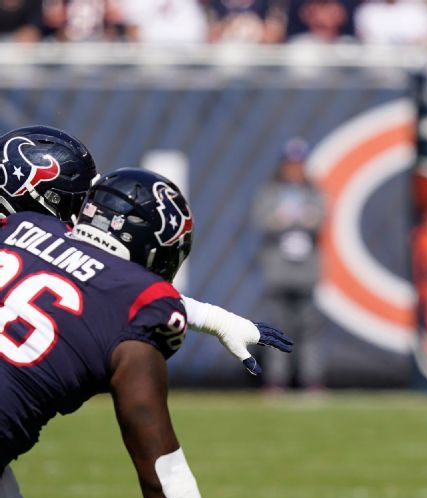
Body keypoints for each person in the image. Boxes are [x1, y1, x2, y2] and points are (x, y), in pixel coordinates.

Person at [0, 167, 276, 498]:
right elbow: (162, 471)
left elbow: (75, 277)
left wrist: (208, 316)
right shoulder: (143, 306)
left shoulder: (26, 228)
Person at [0, 125, 292, 376]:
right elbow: (114, 287)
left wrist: (215, 319)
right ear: (33, 195)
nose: (82, 214)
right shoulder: (25, 237)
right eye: (74, 202)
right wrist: (214, 320)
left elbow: (109, 283)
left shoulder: (18, 237)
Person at [253, 137, 325, 391]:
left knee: (309, 330)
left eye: (299, 164)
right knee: (276, 330)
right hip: (278, 273)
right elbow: (262, 220)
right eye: (290, 164)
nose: (295, 169)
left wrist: (295, 219)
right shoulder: (270, 192)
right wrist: (287, 219)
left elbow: (320, 219)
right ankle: (276, 381)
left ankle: (311, 381)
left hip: (305, 273)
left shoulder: (313, 193)